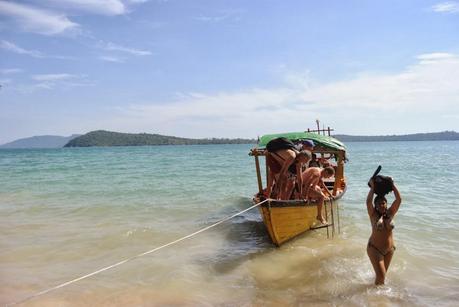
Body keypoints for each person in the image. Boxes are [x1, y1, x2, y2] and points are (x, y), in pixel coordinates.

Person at [366, 178, 402, 285]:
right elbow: (368, 202)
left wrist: (392, 185)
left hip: (389, 250)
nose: (382, 205)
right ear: (375, 206)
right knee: (381, 276)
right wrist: (372, 187)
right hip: (375, 249)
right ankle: (376, 298)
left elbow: (399, 199)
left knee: (382, 275)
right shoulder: (373, 215)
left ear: (386, 204)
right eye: (379, 204)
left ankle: (377, 292)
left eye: (384, 203)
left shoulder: (391, 213)